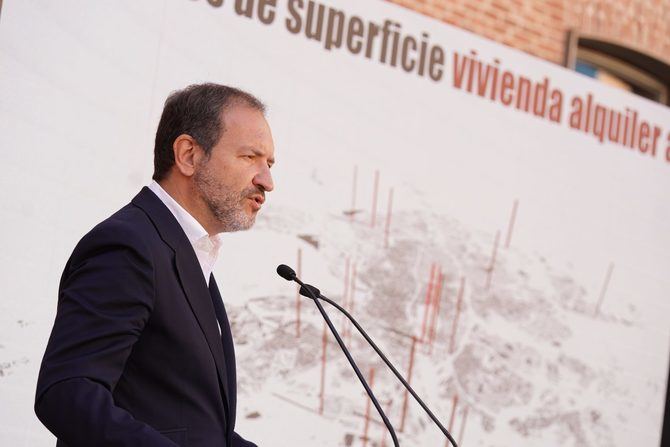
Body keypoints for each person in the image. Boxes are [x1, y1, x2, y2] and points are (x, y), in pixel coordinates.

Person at [34, 83, 275, 447]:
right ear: (189, 155)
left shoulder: (187, 254)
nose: (267, 181)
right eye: (250, 157)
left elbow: (196, 425)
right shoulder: (129, 246)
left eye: (269, 164)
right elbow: (67, 393)